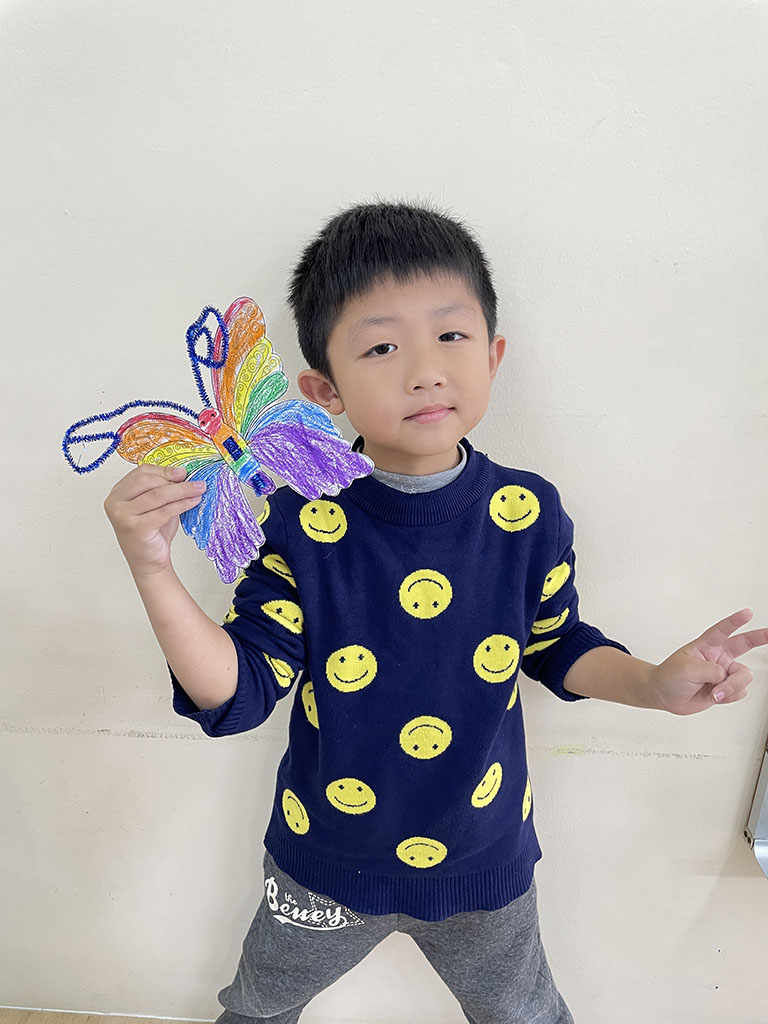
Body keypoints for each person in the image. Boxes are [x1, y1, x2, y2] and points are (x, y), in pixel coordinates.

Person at [104, 201, 765, 1024]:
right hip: (323, 865)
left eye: (450, 336)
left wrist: (654, 684)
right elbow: (237, 691)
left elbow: (557, 645)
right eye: (382, 347)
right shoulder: (298, 520)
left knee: (526, 1016)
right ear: (324, 390)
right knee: (257, 1012)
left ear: (492, 355)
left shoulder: (529, 513)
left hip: (485, 865)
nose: (424, 370)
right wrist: (153, 569)